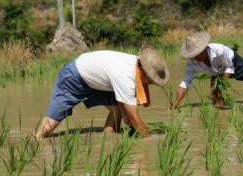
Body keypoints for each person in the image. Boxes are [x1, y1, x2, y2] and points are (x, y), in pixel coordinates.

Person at [36, 46, 170, 139]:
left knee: (116, 109)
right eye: (151, 81)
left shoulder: (138, 63)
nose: (151, 84)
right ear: (143, 73)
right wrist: (147, 140)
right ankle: (35, 142)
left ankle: (110, 138)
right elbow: (133, 116)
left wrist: (132, 126)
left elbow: (126, 115)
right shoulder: (126, 77)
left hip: (97, 79)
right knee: (49, 127)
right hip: (73, 77)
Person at [171, 31, 243, 110]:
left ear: (203, 49)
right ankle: (222, 112)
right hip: (216, 70)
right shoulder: (191, 64)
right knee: (215, 95)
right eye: (193, 55)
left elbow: (229, 67)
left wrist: (222, 82)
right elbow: (184, 84)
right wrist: (176, 103)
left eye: (198, 53)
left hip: (232, 62)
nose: (196, 57)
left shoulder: (219, 50)